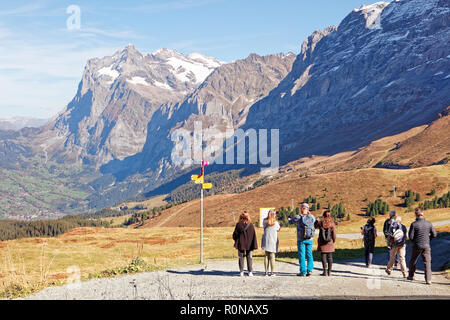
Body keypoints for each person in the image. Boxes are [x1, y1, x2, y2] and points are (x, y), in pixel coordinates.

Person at [407, 207, 437, 284]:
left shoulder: (414, 224)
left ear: (416, 215)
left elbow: (410, 237)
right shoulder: (429, 224)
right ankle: (428, 279)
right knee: (427, 262)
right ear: (423, 214)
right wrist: (429, 239)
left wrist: (414, 242)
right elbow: (434, 234)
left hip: (416, 245)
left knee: (413, 260)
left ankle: (411, 276)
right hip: (426, 245)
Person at [289, 203, 316, 276]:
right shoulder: (312, 217)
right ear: (308, 209)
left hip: (301, 239)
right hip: (310, 238)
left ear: (302, 209)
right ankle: (310, 270)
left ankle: (303, 271)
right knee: (309, 254)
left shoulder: (298, 217)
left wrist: (289, 219)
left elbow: (290, 222)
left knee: (302, 255)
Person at [232, 211, 258, 277]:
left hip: (241, 243)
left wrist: (236, 240)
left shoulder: (238, 225)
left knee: (241, 257)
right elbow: (253, 235)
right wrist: (253, 243)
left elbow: (234, 234)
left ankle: (241, 271)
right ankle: (250, 271)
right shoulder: (251, 225)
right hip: (249, 244)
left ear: (241, 217)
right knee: (249, 257)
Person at [314, 210, 336, 276]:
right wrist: (333, 241)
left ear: (323, 215)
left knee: (323, 256)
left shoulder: (321, 223)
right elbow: (334, 234)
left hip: (322, 242)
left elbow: (315, 226)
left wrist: (316, 221)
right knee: (330, 257)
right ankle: (329, 272)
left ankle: (325, 271)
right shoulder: (332, 223)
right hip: (330, 242)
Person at [261, 209, 281, 276]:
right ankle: (272, 272)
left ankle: (266, 272)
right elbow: (278, 229)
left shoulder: (264, 221)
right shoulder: (276, 223)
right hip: (273, 240)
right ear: (274, 215)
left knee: (266, 255)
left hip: (266, 239)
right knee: (272, 256)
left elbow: (263, 227)